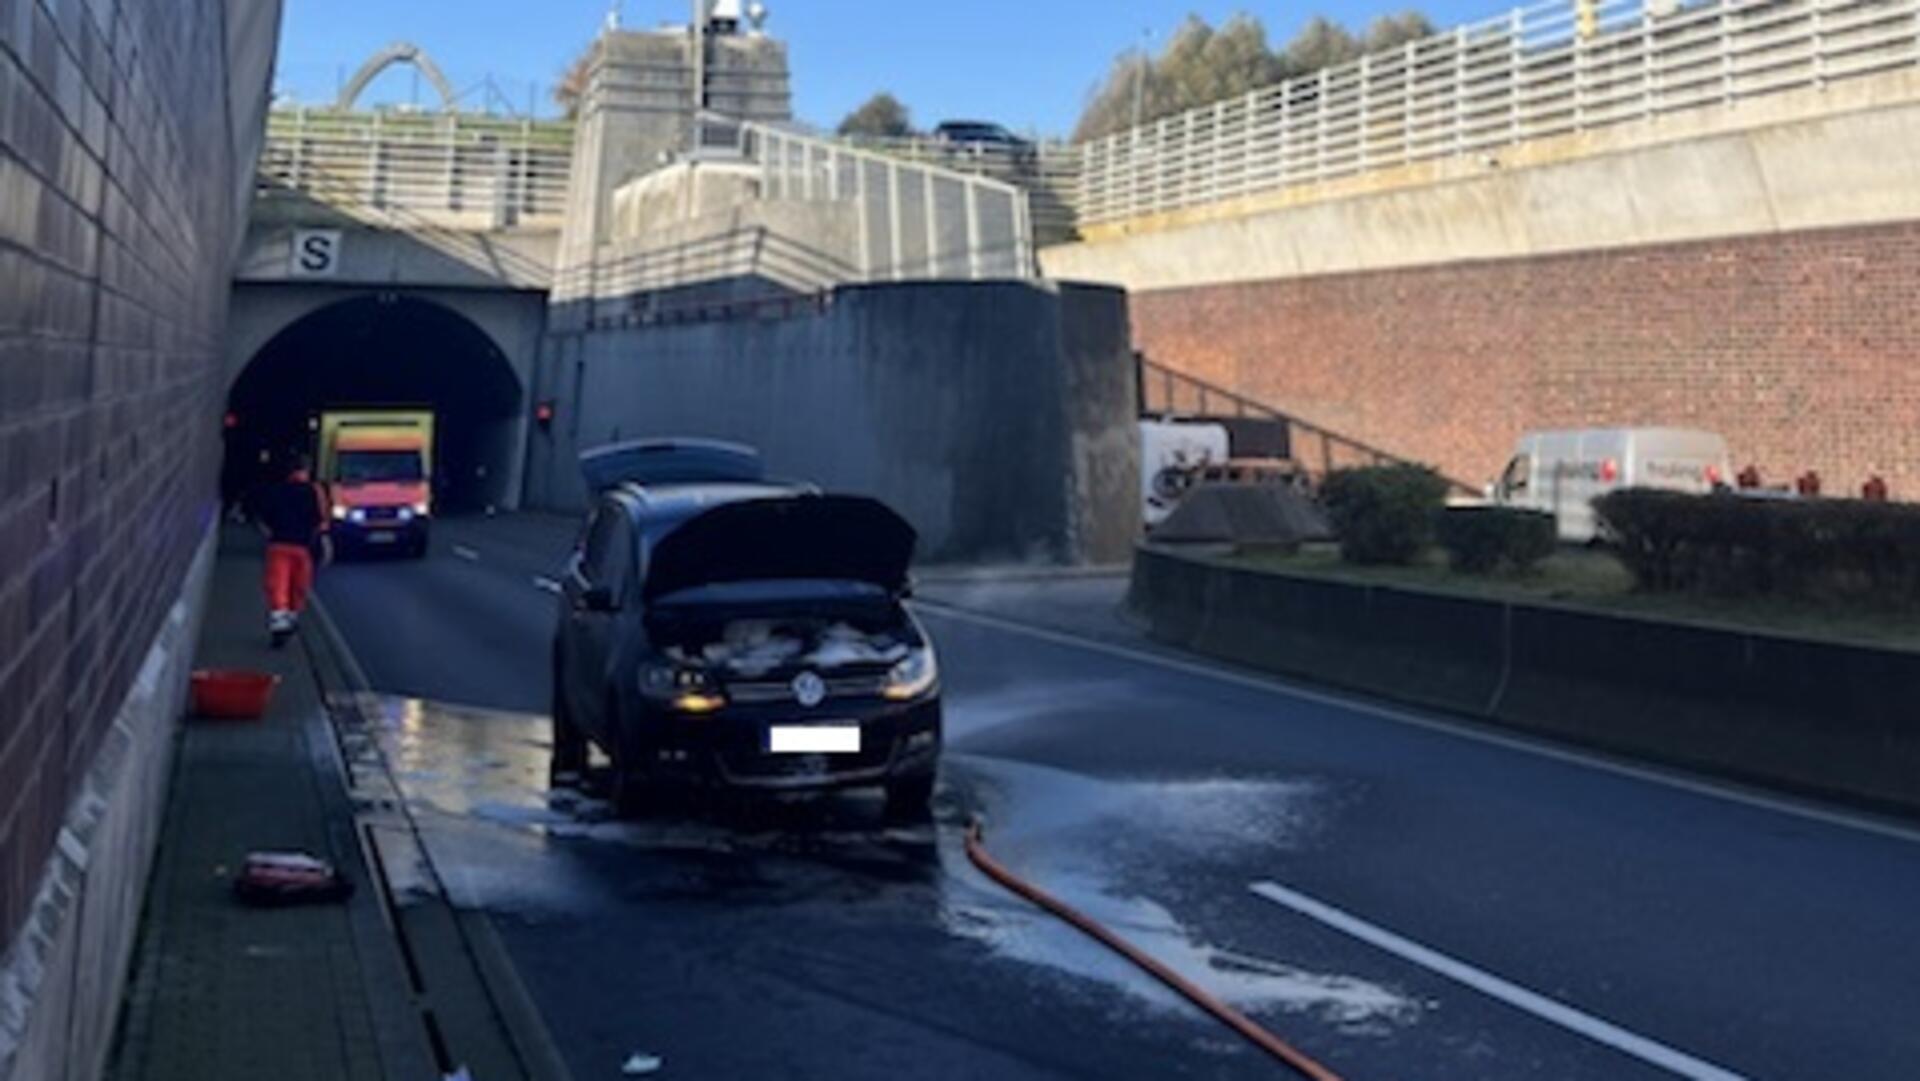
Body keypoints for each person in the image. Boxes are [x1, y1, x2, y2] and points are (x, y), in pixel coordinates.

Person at [250, 454, 332, 647]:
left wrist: (270, 532)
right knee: (299, 587)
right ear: (306, 470)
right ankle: (291, 619)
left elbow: (263, 516)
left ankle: (280, 624)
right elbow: (322, 520)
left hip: (279, 545)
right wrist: (325, 542)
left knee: (277, 586)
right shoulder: (315, 491)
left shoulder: (277, 490)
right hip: (303, 547)